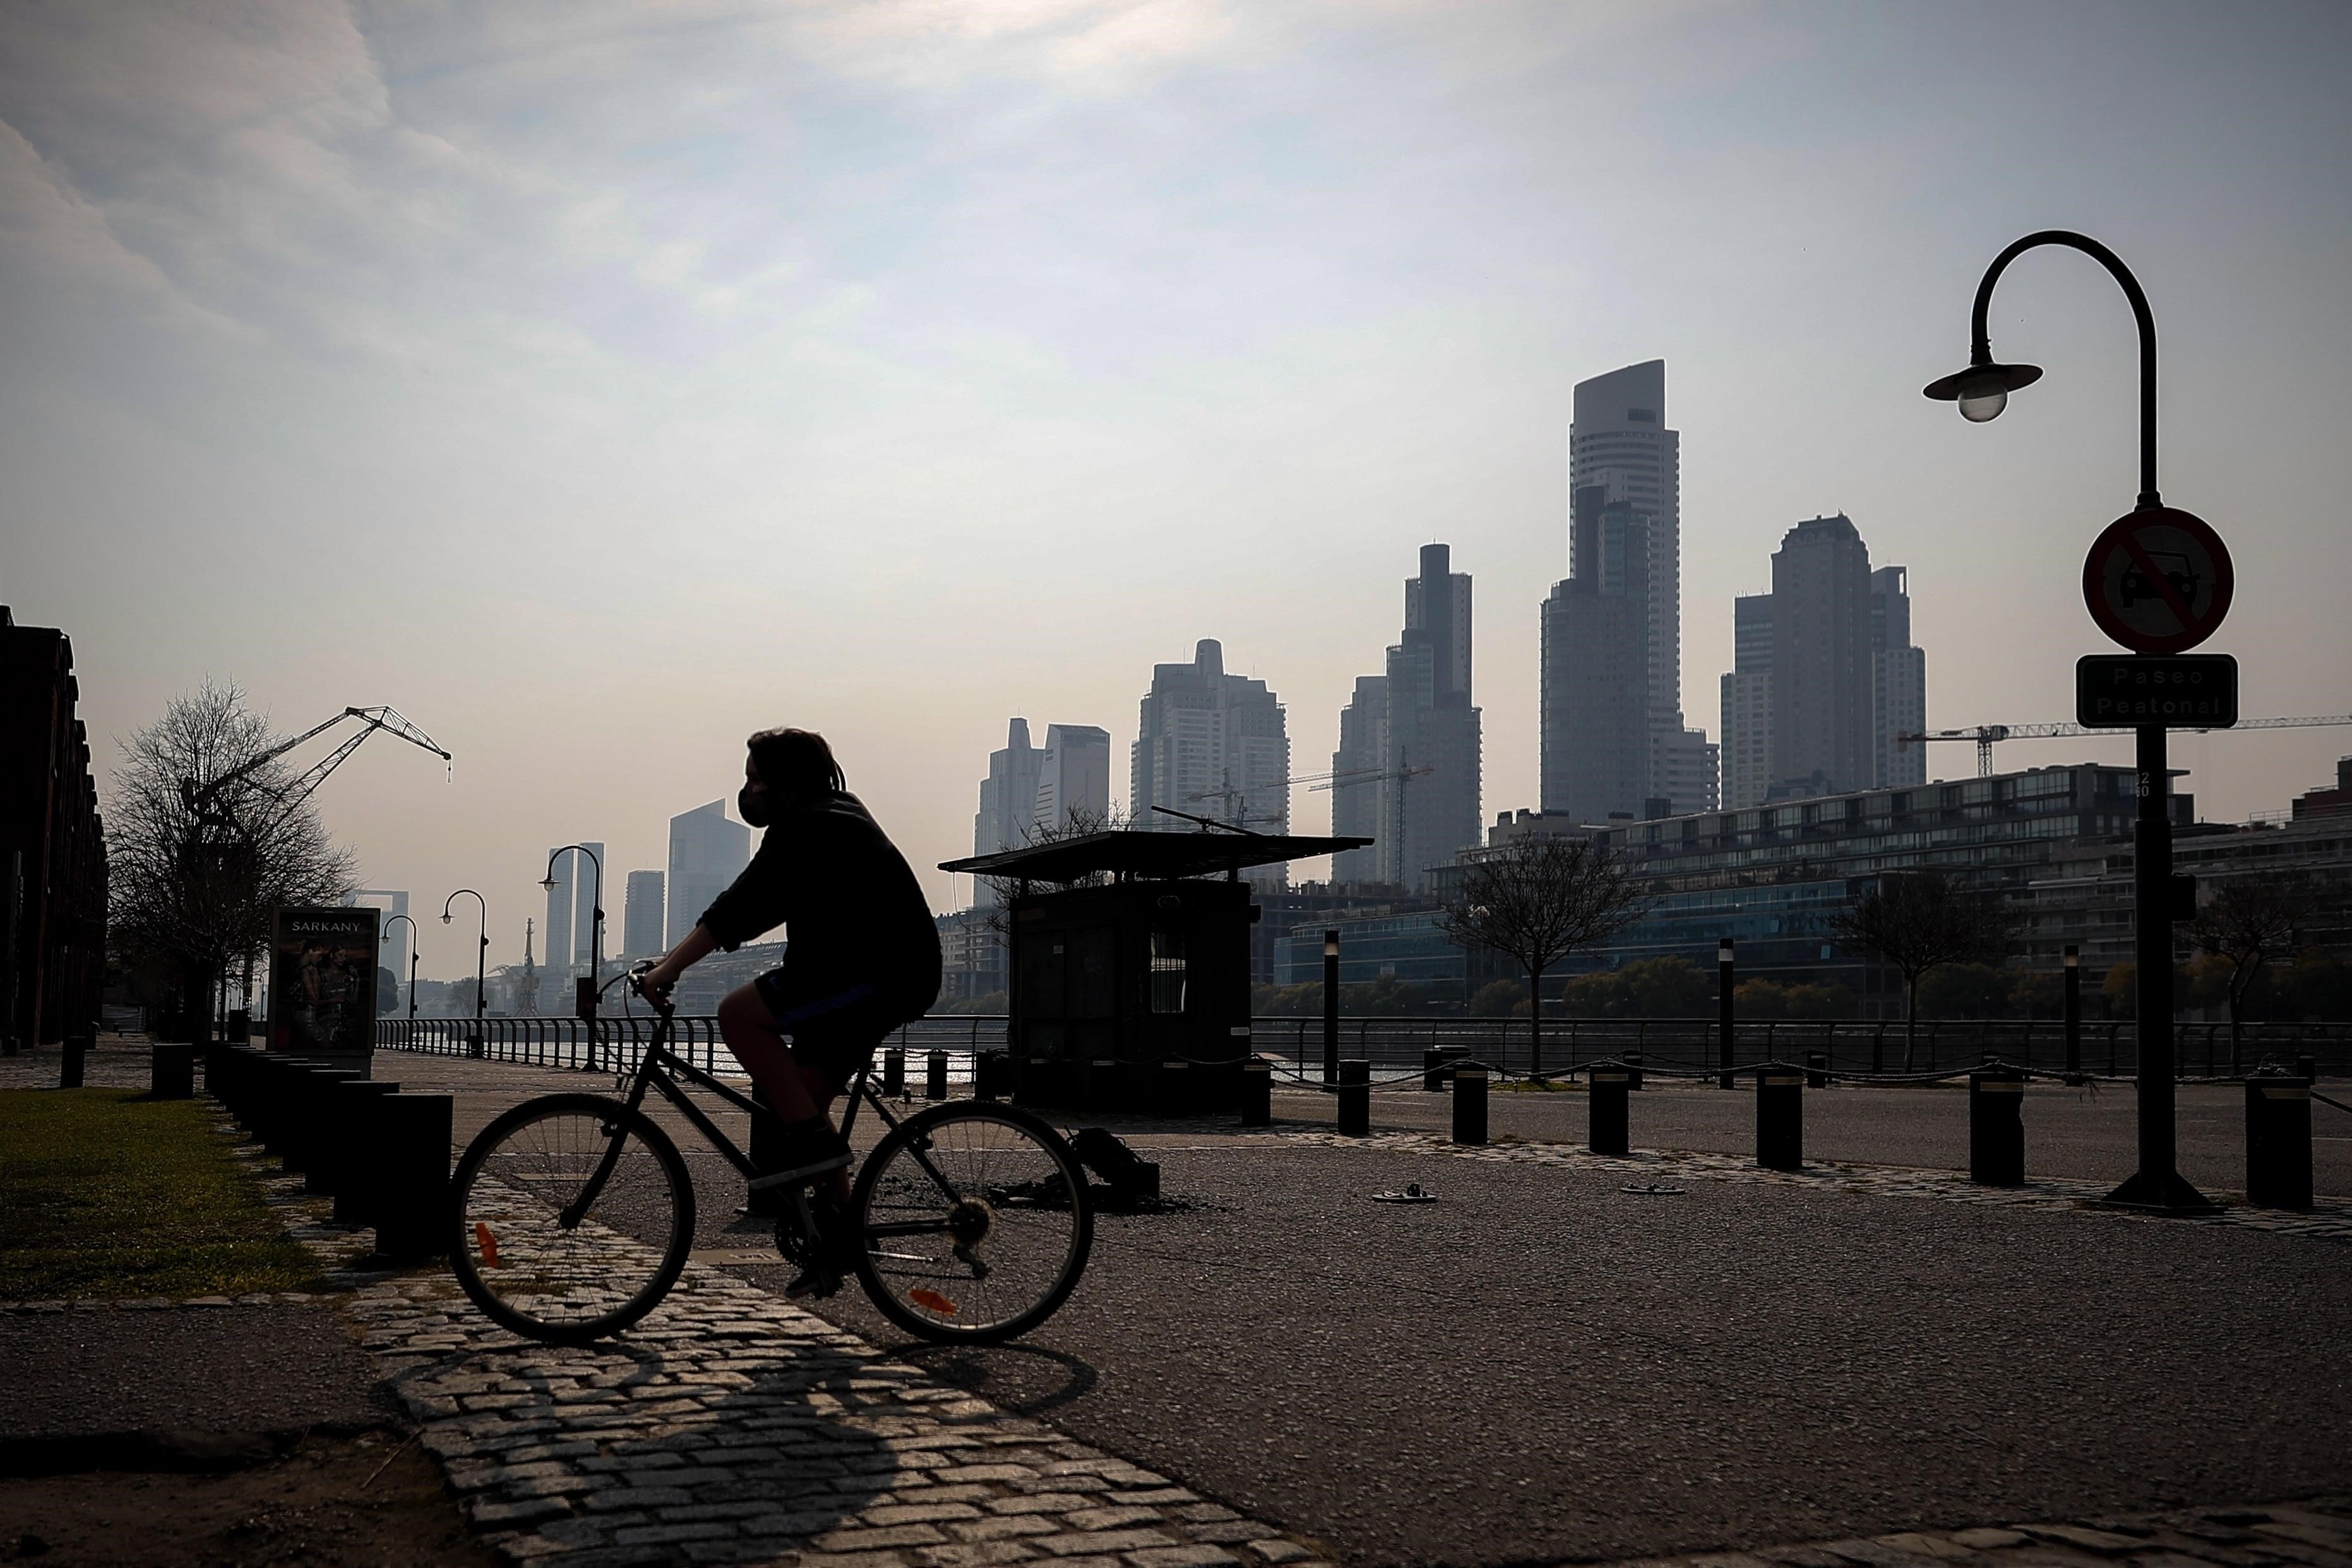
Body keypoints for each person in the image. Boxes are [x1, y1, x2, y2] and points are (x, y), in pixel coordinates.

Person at [635, 727, 941, 1293]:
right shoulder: (822, 815)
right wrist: (669, 960)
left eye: (755, 779)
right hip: (850, 970)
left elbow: (740, 908)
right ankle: (840, 1239)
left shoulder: (816, 824)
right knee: (802, 1100)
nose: (746, 791)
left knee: (737, 1016)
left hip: (877, 975)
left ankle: (821, 1159)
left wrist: (669, 970)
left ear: (789, 784)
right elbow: (746, 905)